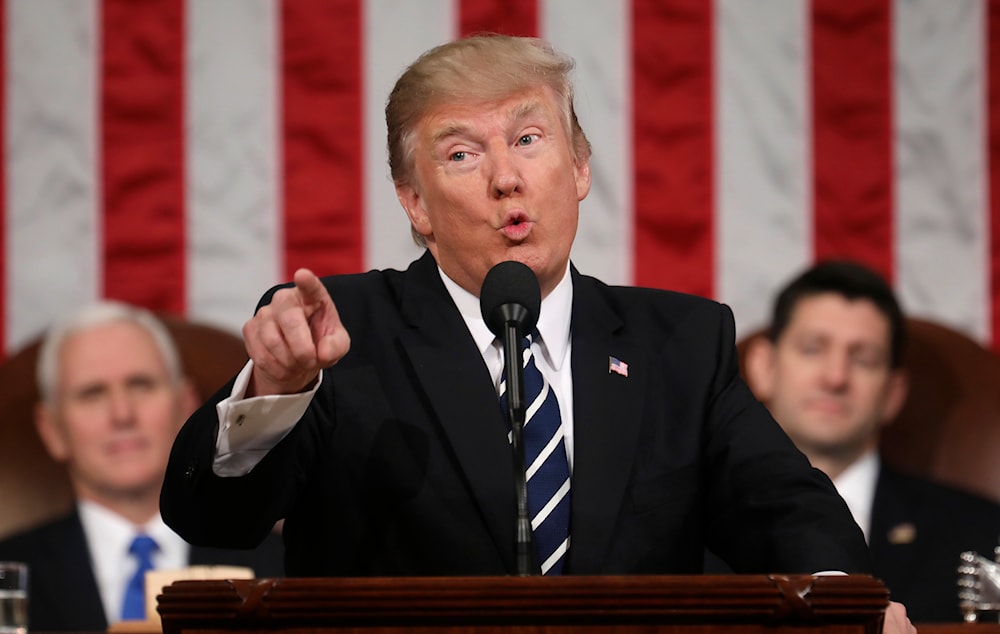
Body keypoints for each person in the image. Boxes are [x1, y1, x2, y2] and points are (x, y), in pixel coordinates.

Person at [160, 35, 914, 631]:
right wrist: (276, 390)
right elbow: (214, 518)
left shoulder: (680, 343)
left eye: (528, 139)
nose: (506, 178)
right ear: (414, 202)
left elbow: (783, 509)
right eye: (462, 154)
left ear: (580, 165)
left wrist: (848, 604)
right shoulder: (344, 335)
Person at [741, 259, 1000, 622]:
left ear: (893, 393)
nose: (835, 377)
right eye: (813, 349)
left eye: (862, 359)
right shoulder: (690, 526)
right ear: (764, 367)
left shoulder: (981, 537)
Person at [0, 301, 284, 632]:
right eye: (92, 394)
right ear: (52, 430)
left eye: (141, 385)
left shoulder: (285, 567)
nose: (122, 414)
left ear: (186, 408)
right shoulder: (8, 576)